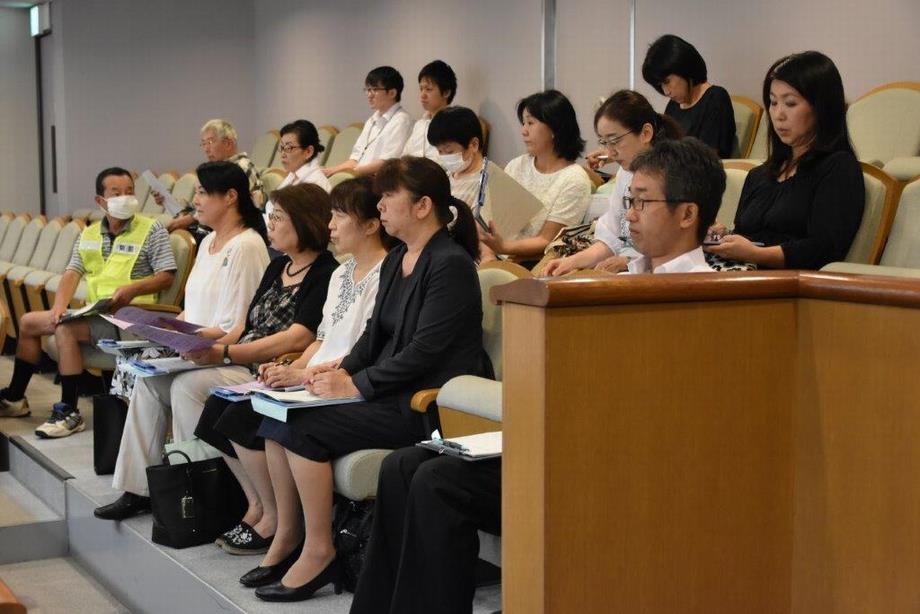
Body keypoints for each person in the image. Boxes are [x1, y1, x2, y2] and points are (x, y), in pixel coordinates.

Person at [349, 137, 725, 614]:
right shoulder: (622, 279)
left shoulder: (704, 296)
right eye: (628, 200)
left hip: (614, 463)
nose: (628, 214)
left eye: (642, 201)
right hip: (566, 441)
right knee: (404, 466)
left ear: (687, 214)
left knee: (437, 481)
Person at [252, 156, 491, 602]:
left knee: (297, 427)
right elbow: (371, 335)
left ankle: (320, 549)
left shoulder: (449, 264)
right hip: (389, 392)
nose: (379, 205)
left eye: (387, 196)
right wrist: (336, 371)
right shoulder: (400, 256)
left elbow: (425, 352)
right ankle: (300, 539)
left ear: (422, 206)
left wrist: (356, 385)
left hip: (426, 404)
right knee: (277, 419)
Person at [193, 177, 392, 562]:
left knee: (262, 419)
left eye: (339, 216)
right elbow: (320, 338)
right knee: (229, 409)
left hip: (340, 380)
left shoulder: (384, 273)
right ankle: (275, 517)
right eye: (330, 216)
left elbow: (362, 349)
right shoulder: (341, 274)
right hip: (313, 373)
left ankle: (287, 527)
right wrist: (289, 368)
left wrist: (301, 374)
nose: (331, 225)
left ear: (370, 224)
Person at [94, 161, 271, 520]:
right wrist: (163, 329)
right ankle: (138, 489)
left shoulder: (248, 246)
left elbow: (241, 326)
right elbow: (191, 314)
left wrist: (192, 339)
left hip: (232, 358)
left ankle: (201, 493)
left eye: (203, 192)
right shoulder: (206, 244)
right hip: (195, 350)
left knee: (184, 388)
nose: (196, 200)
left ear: (231, 197)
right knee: (148, 382)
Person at [0, 168, 176, 438]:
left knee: (65, 330)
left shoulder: (151, 230)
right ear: (101, 201)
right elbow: (72, 272)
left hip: (131, 316)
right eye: (116, 193)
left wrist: (133, 289)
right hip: (97, 310)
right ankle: (15, 398)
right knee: (28, 322)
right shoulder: (90, 234)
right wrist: (60, 306)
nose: (126, 197)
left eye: (129, 191)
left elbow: (166, 276)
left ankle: (68, 410)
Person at [705, 51, 864, 270]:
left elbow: (825, 248)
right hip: (742, 274)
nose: (778, 114)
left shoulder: (838, 168)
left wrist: (757, 254)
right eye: (772, 102)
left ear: (821, 107)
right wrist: (725, 237)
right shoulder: (759, 175)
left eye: (790, 103)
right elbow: (748, 234)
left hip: (791, 288)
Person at [545, 90, 683, 276]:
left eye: (615, 141)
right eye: (605, 142)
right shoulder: (625, 174)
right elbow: (614, 235)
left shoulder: (675, 172)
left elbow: (678, 241)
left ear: (646, 133)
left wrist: (630, 261)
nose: (610, 153)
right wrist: (570, 262)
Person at [479, 89, 592, 264]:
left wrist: (503, 248)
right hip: (492, 256)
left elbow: (546, 240)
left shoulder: (574, 179)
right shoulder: (517, 165)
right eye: (523, 123)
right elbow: (486, 220)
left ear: (554, 128)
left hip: (533, 264)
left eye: (530, 123)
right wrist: (488, 257)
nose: (523, 131)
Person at [641, 34, 736, 158]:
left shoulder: (716, 98)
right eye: (660, 85)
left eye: (667, 82)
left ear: (683, 68)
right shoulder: (673, 106)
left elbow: (708, 159)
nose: (666, 92)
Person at [167, 119, 265, 231]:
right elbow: (207, 204)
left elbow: (237, 210)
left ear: (228, 143)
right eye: (203, 144)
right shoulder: (219, 170)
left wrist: (187, 220)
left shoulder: (241, 168)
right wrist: (169, 201)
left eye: (210, 142)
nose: (206, 149)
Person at [323, 67, 413, 178]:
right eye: (368, 89)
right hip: (360, 177)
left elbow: (387, 163)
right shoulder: (371, 120)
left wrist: (352, 173)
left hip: (378, 180)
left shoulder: (402, 120)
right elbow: (355, 159)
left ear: (392, 93)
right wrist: (331, 170)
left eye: (374, 90)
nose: (369, 95)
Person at [426, 105, 486, 208]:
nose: (444, 157)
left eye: (449, 151)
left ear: (474, 145)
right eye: (440, 151)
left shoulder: (484, 184)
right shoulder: (448, 176)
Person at [401, 60, 457, 162]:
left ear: (446, 92)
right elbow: (404, 155)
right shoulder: (420, 124)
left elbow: (450, 163)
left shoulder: (454, 125)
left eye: (428, 89)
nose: (422, 95)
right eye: (421, 89)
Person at [269, 120, 332, 208]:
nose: (283, 154)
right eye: (282, 147)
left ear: (308, 151)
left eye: (289, 148)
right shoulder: (293, 175)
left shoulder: (316, 185)